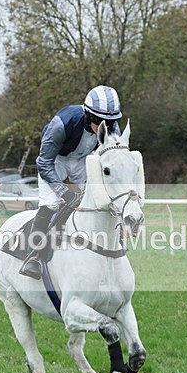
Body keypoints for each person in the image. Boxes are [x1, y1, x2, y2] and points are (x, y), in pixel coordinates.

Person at [20, 85, 122, 280]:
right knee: (51, 203)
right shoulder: (62, 123)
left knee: (94, 201)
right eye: (100, 121)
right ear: (89, 116)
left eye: (111, 122)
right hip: (55, 160)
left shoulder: (112, 128)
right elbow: (43, 163)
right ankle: (33, 256)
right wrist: (63, 192)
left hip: (84, 160)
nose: (106, 127)